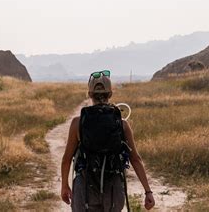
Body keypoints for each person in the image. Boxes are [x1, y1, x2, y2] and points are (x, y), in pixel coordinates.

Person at [60, 70, 155, 211]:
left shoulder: (77, 123)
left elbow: (67, 159)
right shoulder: (122, 124)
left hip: (85, 188)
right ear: (110, 94)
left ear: (90, 94)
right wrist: (148, 191)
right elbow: (135, 159)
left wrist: (64, 186)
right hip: (113, 189)